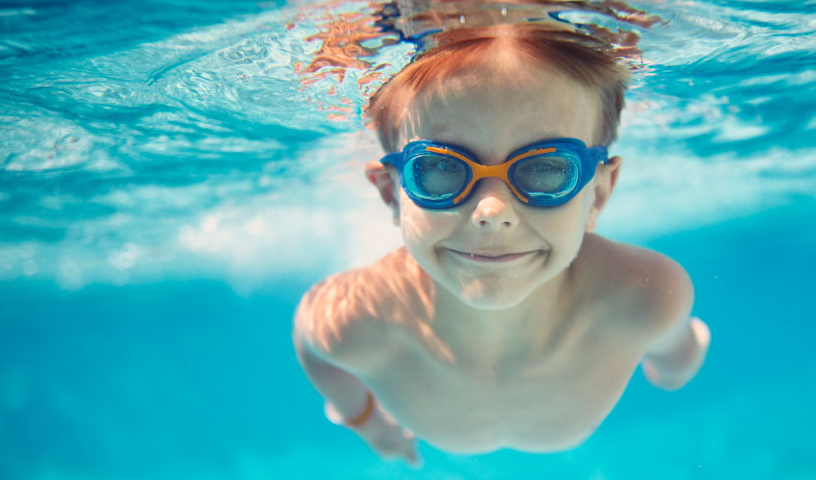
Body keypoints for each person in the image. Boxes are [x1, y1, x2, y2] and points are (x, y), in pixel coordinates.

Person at [293, 24, 710, 467]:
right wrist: (367, 423)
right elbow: (313, 347)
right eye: (439, 169)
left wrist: (674, 368)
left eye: (547, 168)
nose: (491, 211)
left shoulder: (645, 295)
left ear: (599, 194)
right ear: (391, 193)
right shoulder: (354, 320)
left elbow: (675, 349)